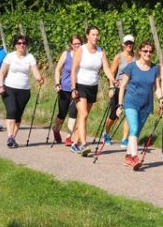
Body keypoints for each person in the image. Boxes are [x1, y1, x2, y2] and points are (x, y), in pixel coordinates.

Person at [116, 40, 163, 170]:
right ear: (139, 52)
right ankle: (135, 157)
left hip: (146, 105)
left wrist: (161, 99)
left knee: (136, 131)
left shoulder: (155, 68)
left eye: (150, 51)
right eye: (145, 51)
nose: (148, 53)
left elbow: (157, 88)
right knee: (134, 128)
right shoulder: (131, 67)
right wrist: (120, 105)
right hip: (131, 102)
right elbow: (122, 87)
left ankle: (128, 156)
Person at [69, 25, 115, 156]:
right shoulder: (81, 50)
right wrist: (73, 88)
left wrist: (113, 80)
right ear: (87, 36)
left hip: (92, 86)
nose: (95, 37)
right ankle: (84, 144)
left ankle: (75, 143)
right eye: (93, 34)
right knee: (82, 114)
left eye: (97, 35)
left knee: (84, 116)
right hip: (80, 85)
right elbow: (73, 70)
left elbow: (106, 68)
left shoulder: (101, 52)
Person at [0, 35, 44, 148]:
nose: (21, 45)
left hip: (24, 91)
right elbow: (2, 73)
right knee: (12, 111)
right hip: (9, 88)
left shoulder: (30, 57)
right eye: (19, 43)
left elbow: (35, 72)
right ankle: (9, 136)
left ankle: (13, 138)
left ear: (26, 45)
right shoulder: (10, 56)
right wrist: (1, 85)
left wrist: (40, 78)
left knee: (18, 116)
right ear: (15, 45)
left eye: (24, 43)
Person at [104, 34, 135, 147]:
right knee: (114, 114)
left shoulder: (135, 57)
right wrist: (111, 87)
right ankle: (106, 133)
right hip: (118, 88)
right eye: (127, 43)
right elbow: (111, 73)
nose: (129, 45)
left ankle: (124, 139)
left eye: (131, 43)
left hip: (131, 89)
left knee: (129, 114)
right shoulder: (119, 57)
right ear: (123, 44)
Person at [52, 34, 82, 145]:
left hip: (77, 88)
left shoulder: (83, 56)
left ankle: (69, 137)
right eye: (75, 44)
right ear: (71, 45)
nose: (77, 46)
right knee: (62, 113)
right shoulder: (66, 54)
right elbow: (57, 70)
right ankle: (56, 129)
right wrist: (56, 83)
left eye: (79, 43)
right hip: (64, 88)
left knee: (73, 112)